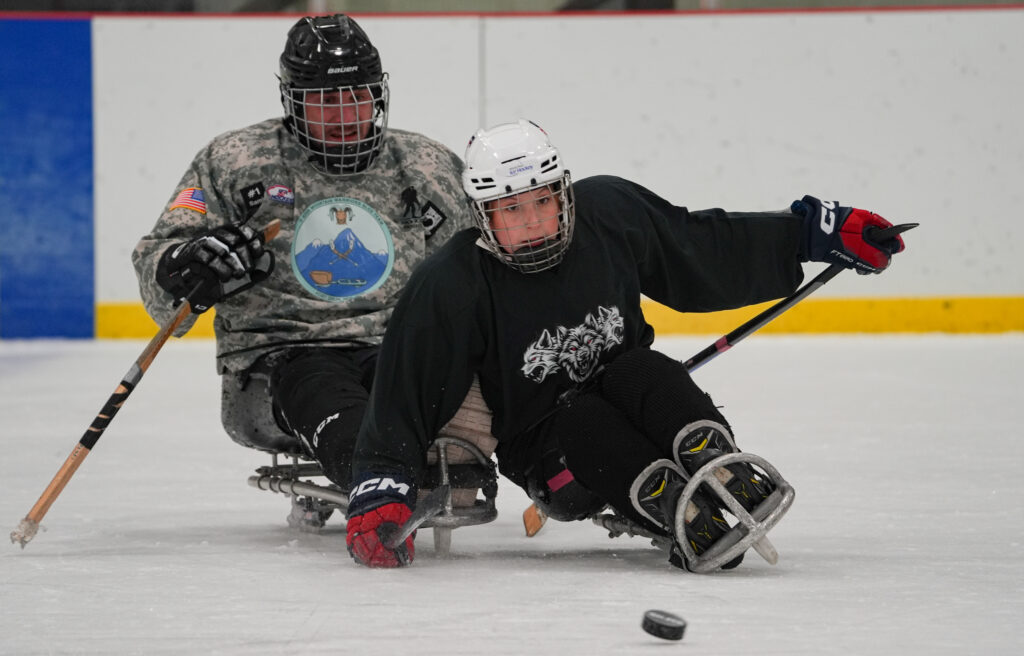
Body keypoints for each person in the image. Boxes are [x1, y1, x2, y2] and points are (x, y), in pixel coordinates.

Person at [344, 119, 907, 571]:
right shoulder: (453, 281)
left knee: (646, 369)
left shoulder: (608, 214)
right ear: (483, 216)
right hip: (549, 450)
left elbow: (700, 248)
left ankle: (719, 465)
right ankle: (674, 507)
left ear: (564, 193)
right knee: (586, 419)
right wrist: (380, 486)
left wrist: (812, 234)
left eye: (543, 201)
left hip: (628, 389)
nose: (534, 223)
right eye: (512, 210)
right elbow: (405, 390)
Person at [131, 15, 473, 507]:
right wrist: (187, 264)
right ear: (292, 102)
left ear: (378, 94)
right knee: (332, 398)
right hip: (289, 352)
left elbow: (478, 267)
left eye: (357, 95)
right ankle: (378, 484)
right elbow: (160, 262)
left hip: (400, 345)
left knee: (418, 390)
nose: (344, 114)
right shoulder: (235, 162)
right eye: (325, 101)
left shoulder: (427, 166)